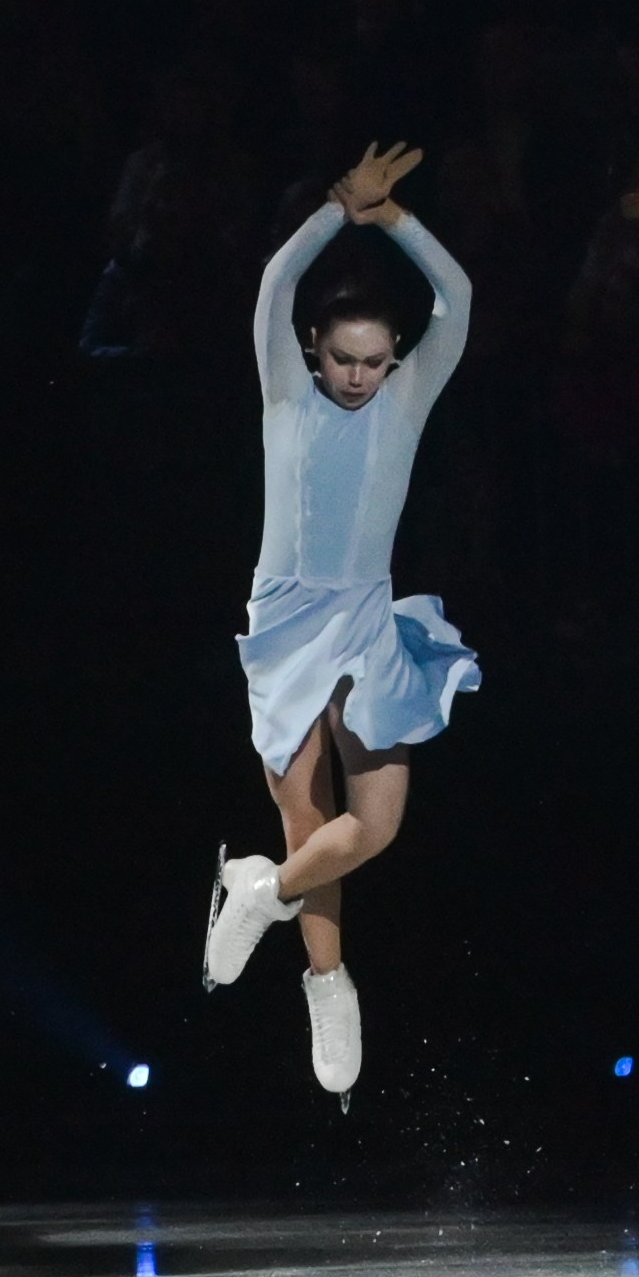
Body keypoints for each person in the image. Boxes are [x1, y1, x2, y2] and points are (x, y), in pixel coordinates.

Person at [202, 142, 479, 1109]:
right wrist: (338, 208)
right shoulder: (286, 394)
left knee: (377, 825)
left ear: (393, 356)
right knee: (308, 823)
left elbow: (458, 299)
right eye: (343, 357)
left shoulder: (404, 401)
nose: (359, 375)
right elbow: (276, 286)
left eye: (374, 360)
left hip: (365, 616)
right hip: (286, 620)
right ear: (315, 347)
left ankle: (261, 892)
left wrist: (392, 217)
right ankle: (328, 984)